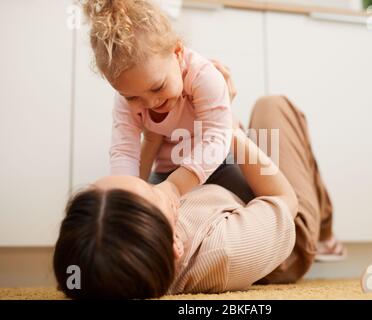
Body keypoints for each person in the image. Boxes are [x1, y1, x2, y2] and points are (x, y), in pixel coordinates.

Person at [53, 93, 345, 299]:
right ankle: (322, 234)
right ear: (175, 244)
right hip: (283, 238)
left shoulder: (119, 239)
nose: (153, 183)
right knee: (273, 108)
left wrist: (153, 136)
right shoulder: (227, 251)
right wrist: (227, 129)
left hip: (220, 202)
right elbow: (282, 198)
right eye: (151, 190)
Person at [83, 0, 234, 200]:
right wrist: (125, 199)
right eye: (133, 97)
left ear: (178, 54)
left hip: (220, 165)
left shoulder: (203, 75)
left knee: (250, 197)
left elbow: (217, 136)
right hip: (167, 171)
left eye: (157, 87)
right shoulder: (124, 99)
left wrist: (174, 187)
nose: (150, 102)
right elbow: (124, 152)